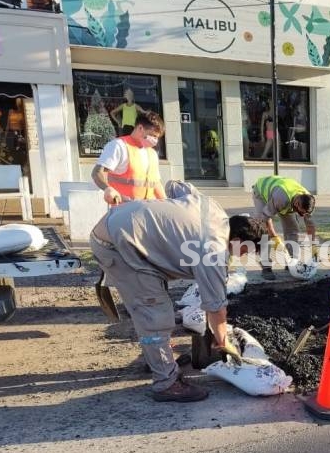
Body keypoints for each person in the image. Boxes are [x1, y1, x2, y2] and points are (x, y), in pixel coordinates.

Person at [89, 181, 267, 402]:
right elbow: (215, 306)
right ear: (239, 240)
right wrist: (223, 341)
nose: (243, 257)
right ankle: (166, 383)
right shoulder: (213, 251)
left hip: (123, 226)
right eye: (246, 250)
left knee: (156, 303)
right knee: (155, 315)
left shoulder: (211, 207)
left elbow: (174, 186)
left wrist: (166, 219)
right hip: (117, 246)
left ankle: (158, 357)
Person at [91, 110, 165, 205]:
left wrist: (167, 204)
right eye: (153, 135)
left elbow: (156, 184)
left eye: (157, 137)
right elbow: (97, 172)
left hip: (147, 211)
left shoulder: (152, 153)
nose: (155, 140)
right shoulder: (119, 146)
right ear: (140, 128)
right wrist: (108, 188)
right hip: (124, 210)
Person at [251, 175, 317, 280]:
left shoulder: (308, 201)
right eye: (301, 212)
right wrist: (274, 236)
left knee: (293, 229)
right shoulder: (281, 198)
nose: (302, 215)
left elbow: (310, 225)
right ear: (296, 203)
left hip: (285, 198)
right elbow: (265, 218)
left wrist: (313, 245)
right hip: (261, 193)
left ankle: (292, 262)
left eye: (305, 213)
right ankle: (266, 266)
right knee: (263, 232)